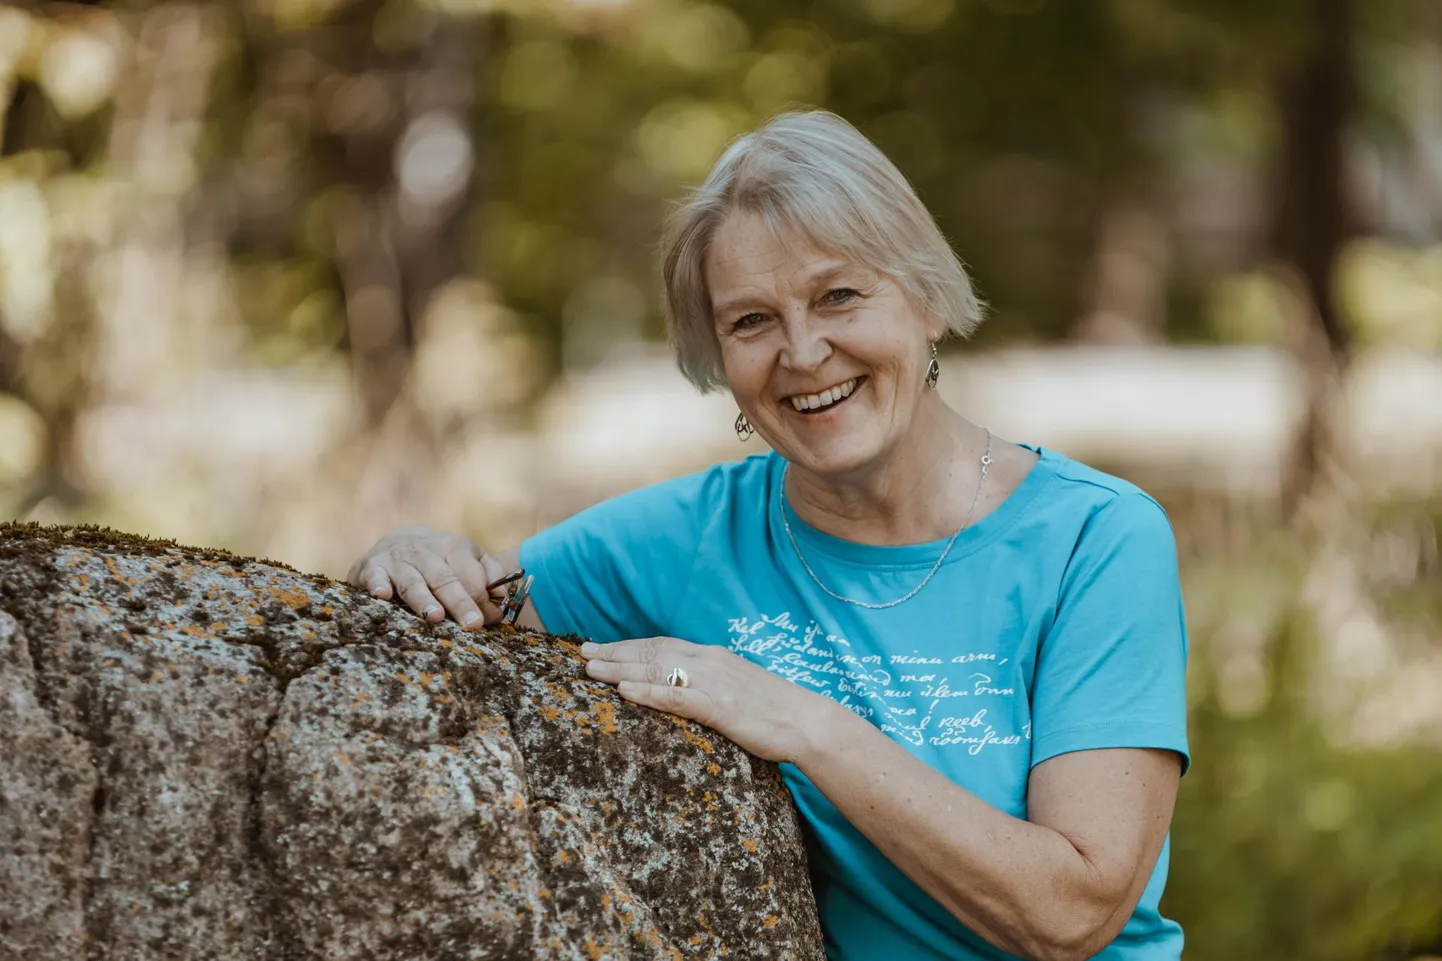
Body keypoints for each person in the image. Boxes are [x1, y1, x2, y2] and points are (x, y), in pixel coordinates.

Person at [348, 110, 1189, 961]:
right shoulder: (685, 538)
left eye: (839, 296)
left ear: (928, 299)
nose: (802, 350)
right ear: (718, 359)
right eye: (751, 321)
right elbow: (466, 602)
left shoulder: (1095, 540)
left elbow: (1073, 913)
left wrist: (800, 724)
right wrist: (407, 552)